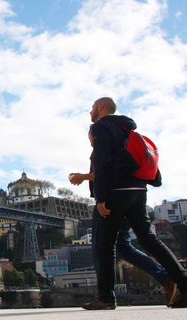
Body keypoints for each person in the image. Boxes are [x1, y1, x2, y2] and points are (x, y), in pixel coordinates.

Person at [82, 97, 187, 310]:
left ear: (101, 107)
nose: (91, 111)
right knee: (149, 240)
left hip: (116, 192)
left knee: (106, 244)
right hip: (139, 191)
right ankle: (184, 285)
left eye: (93, 107)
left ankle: (106, 298)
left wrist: (100, 197)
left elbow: (101, 163)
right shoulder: (129, 129)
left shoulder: (101, 126)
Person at [69, 127, 175, 307]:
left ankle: (105, 296)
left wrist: (84, 177)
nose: (89, 139)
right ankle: (167, 279)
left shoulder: (103, 144)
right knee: (124, 248)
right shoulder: (125, 141)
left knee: (100, 248)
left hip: (109, 201)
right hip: (131, 198)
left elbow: (106, 173)